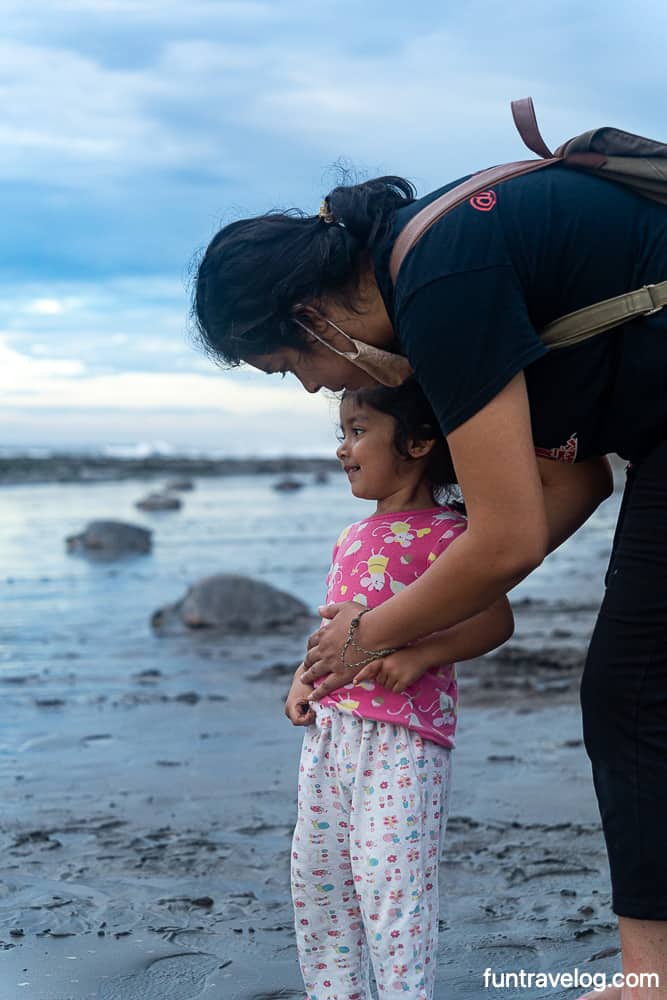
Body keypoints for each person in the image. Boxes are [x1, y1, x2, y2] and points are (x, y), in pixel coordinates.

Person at [194, 165, 667, 998]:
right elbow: (571, 484)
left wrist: (367, 635)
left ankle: (651, 979)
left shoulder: (438, 283)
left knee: (630, 694)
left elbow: (509, 538)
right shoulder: (429, 279)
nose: (312, 387)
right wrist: (436, 598)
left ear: (308, 315)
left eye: (286, 366)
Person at [284, 378, 514, 1000]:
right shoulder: (350, 537)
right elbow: (336, 626)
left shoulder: (452, 534)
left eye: (358, 432)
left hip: (404, 738)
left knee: (391, 884)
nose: (342, 448)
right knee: (319, 878)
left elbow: (496, 620)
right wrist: (304, 678)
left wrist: (422, 654)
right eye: (342, 434)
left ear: (416, 442)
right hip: (331, 734)